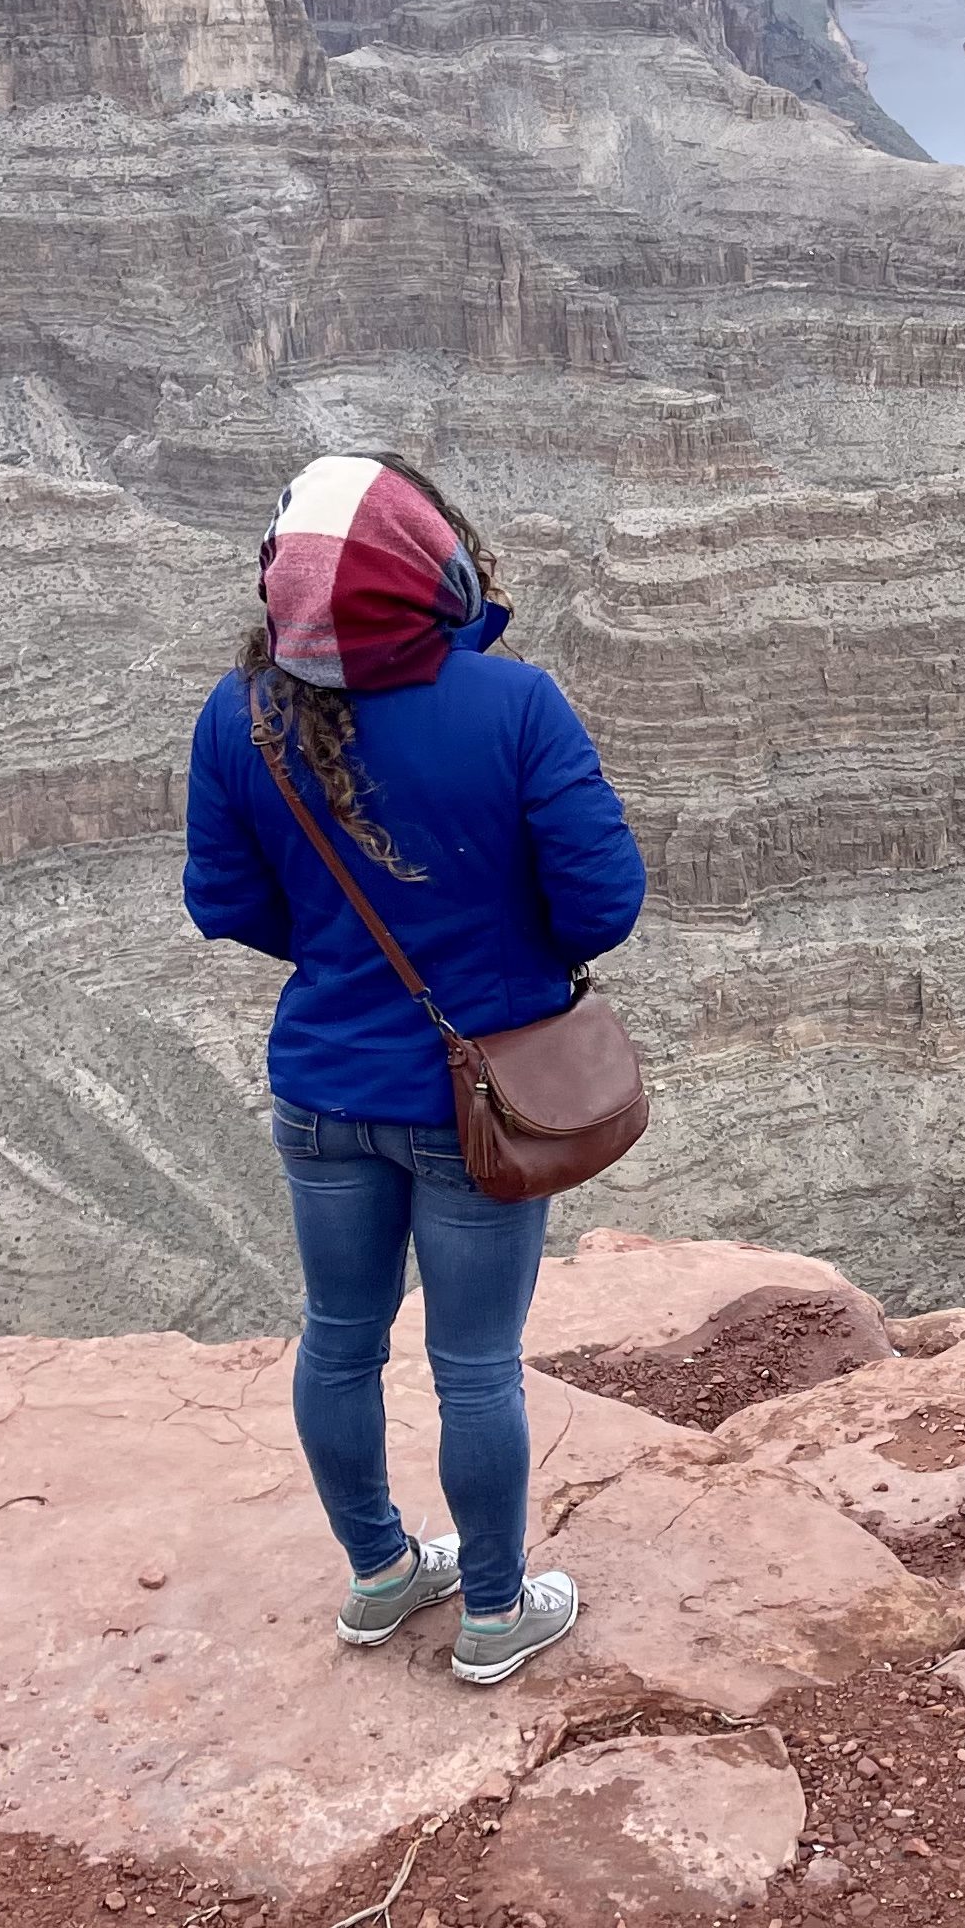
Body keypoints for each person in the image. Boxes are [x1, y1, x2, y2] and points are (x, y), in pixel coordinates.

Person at [185, 453, 646, 1686]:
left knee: (339, 1339)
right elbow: (605, 903)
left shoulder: (238, 714)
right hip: (478, 1101)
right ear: (433, 569)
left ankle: (383, 1575)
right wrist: (491, 948)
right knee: (475, 1363)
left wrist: (346, 953)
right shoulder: (516, 704)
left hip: (324, 1092)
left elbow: (221, 903)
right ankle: (494, 1610)